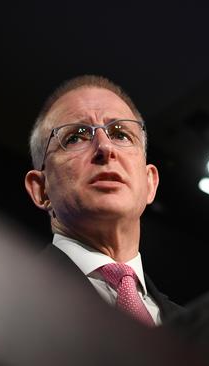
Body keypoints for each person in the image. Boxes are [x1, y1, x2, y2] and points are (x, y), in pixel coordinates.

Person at [24, 75, 183, 326]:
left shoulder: (201, 333)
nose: (105, 147)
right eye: (75, 137)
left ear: (150, 182)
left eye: (121, 134)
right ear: (41, 189)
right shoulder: (5, 297)